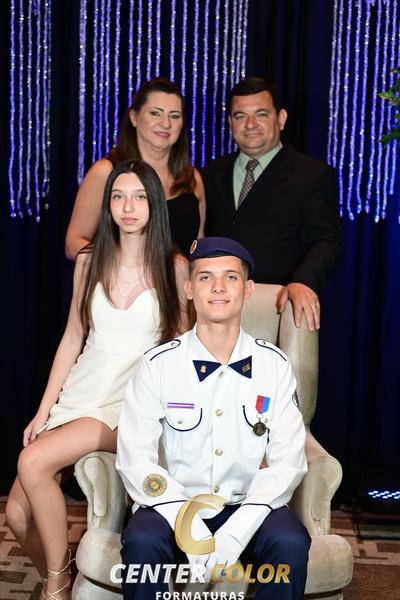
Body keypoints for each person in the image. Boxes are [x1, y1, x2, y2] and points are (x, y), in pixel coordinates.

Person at [5, 160, 189, 600]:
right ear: (108, 206)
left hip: (128, 407)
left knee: (32, 462)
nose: (128, 207)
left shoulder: (174, 266)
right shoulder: (89, 261)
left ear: (154, 203)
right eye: (118, 197)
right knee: (16, 515)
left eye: (139, 197)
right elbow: (73, 337)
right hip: (80, 394)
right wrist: (44, 409)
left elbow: (182, 349)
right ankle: (67, 576)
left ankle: (55, 586)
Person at [116, 237, 311, 600]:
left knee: (290, 541)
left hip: (247, 505)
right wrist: (190, 529)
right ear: (189, 289)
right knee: (142, 539)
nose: (218, 287)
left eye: (231, 277)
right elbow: (135, 460)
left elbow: (288, 463)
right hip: (174, 505)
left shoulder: (274, 366)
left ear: (248, 289)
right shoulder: (157, 365)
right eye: (205, 277)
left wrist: (235, 533)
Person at [202, 77, 342, 332]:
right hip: (215, 311)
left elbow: (326, 241)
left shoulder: (312, 175)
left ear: (281, 119)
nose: (250, 125)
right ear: (230, 122)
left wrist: (304, 281)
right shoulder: (210, 174)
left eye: (261, 114)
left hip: (279, 312)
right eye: (240, 116)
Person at [65, 77, 206, 260]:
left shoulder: (192, 178)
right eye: (155, 113)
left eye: (174, 116)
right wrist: (124, 266)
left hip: (181, 279)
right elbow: (73, 244)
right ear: (134, 117)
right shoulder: (106, 172)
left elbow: (199, 247)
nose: (165, 123)